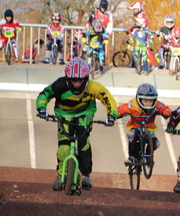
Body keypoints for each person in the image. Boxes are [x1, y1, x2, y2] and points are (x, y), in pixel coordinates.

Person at [35, 57, 118, 191]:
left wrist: (112, 115)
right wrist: (42, 108)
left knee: (83, 142)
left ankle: (85, 175)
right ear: (68, 78)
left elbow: (108, 98)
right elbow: (44, 95)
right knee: (64, 146)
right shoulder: (59, 85)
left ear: (86, 78)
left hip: (85, 114)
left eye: (81, 79)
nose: (77, 83)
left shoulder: (93, 87)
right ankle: (61, 175)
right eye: (74, 79)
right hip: (64, 114)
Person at [117, 83, 171, 166]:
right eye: (145, 101)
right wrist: (117, 114)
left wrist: (167, 112)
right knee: (132, 135)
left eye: (151, 101)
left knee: (156, 143)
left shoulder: (156, 105)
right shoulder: (133, 104)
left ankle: (149, 157)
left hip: (149, 128)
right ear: (139, 99)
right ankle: (132, 157)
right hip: (135, 126)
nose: (148, 103)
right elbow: (121, 109)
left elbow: (164, 108)